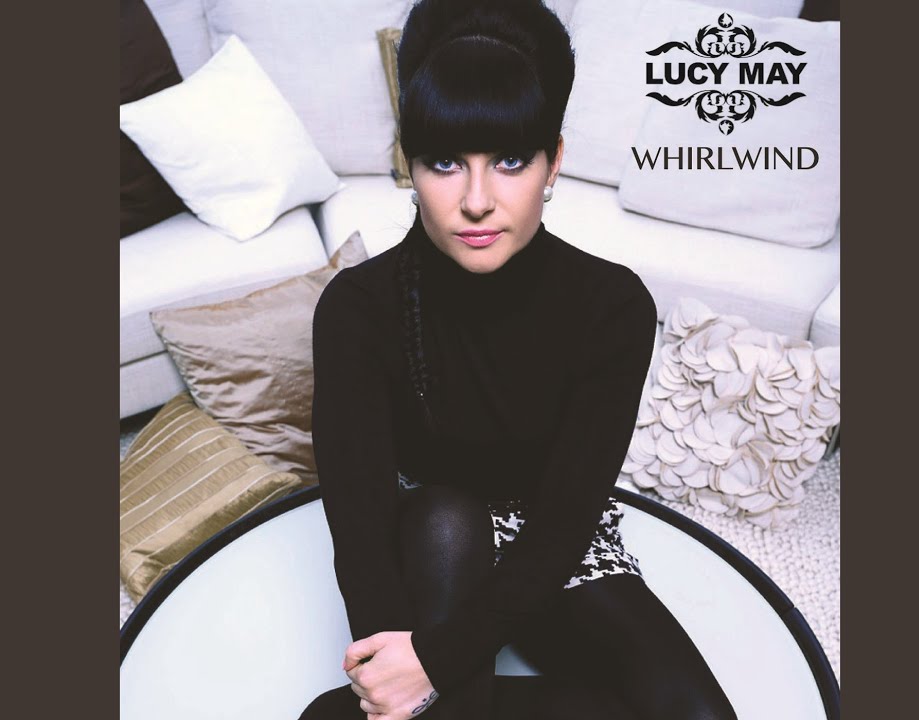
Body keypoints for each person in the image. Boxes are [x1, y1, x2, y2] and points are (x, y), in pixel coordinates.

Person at [299, 1, 738, 718]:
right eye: (445, 162)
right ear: (409, 163)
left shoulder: (613, 305)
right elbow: (361, 530)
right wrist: (389, 673)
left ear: (553, 161)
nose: (477, 201)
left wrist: (438, 663)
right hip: (426, 534)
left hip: (551, 542)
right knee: (447, 518)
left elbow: (566, 522)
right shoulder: (357, 307)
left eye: (509, 161)